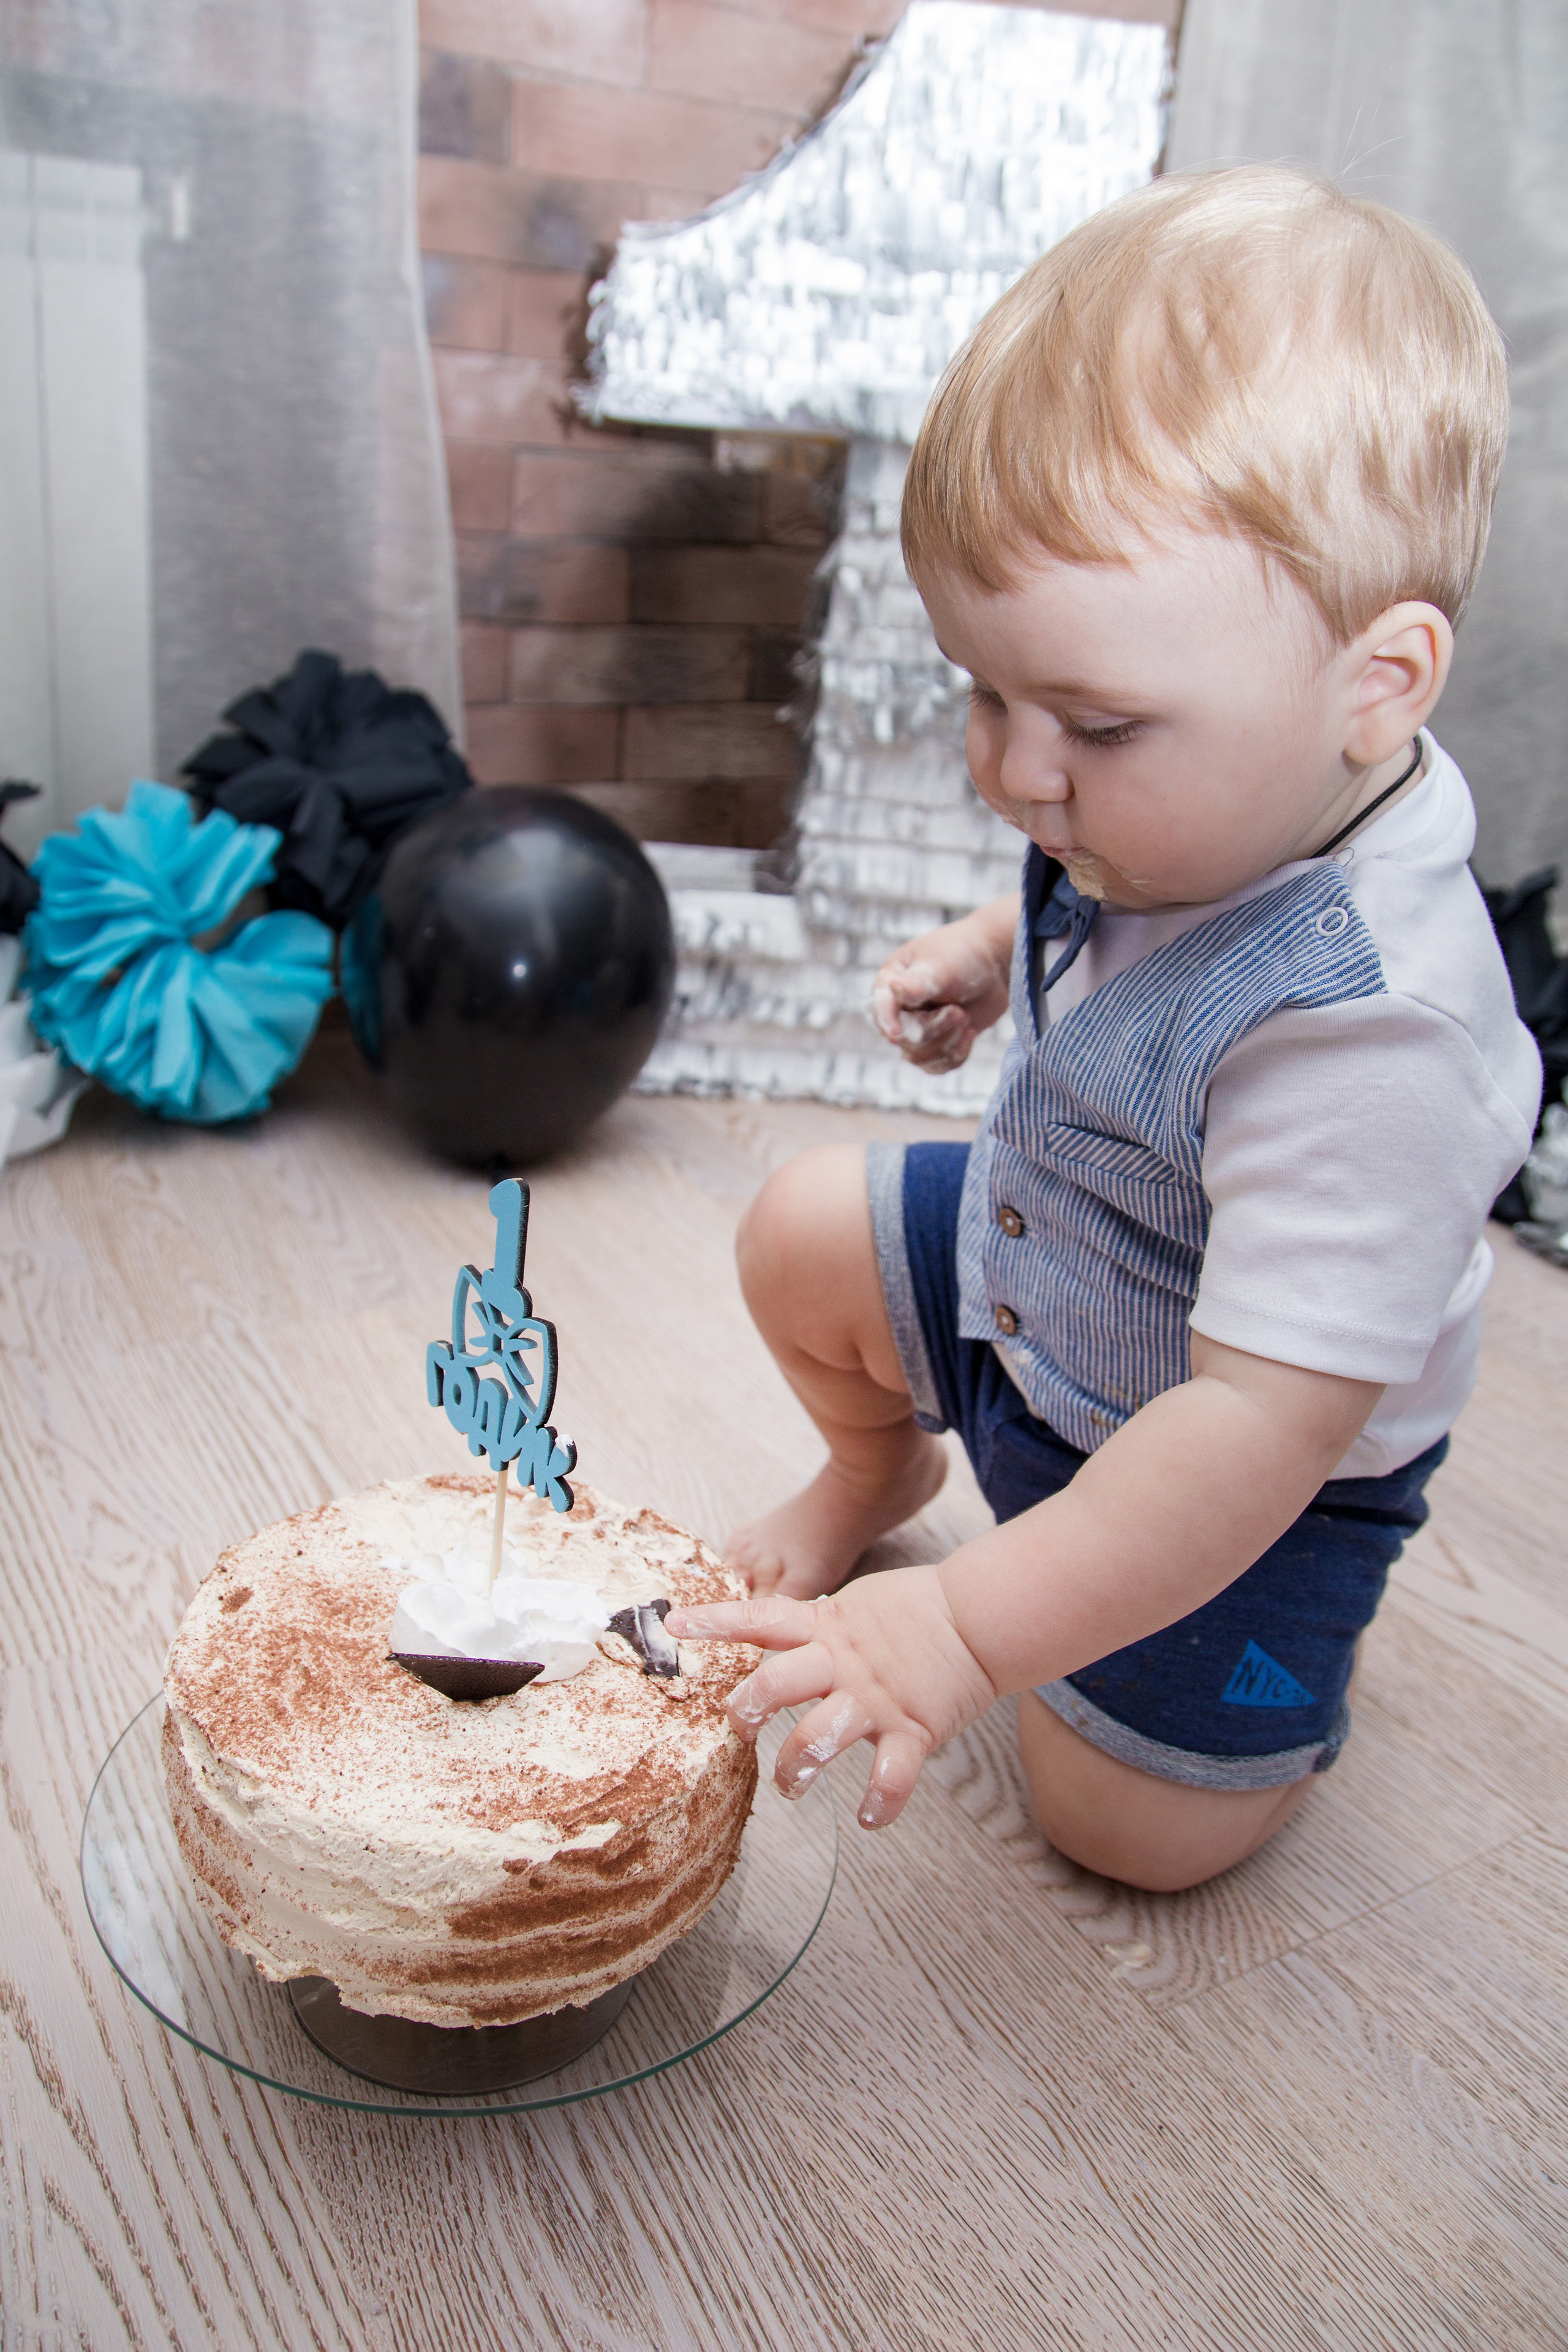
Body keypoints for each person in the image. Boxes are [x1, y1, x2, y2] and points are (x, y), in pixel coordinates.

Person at [666, 167, 1540, 1892]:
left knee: (1119, 1830)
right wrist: (1006, 943)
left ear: (1381, 684)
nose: (1014, 772)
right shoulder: (1192, 798)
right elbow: (1124, 912)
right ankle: (880, 1467)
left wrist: (964, 1632)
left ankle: (1271, 1686)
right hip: (1044, 1277)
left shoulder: (1378, 1045)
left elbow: (1253, 1429)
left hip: (1240, 1456)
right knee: (796, 1233)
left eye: (1096, 724)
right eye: (985, 690)